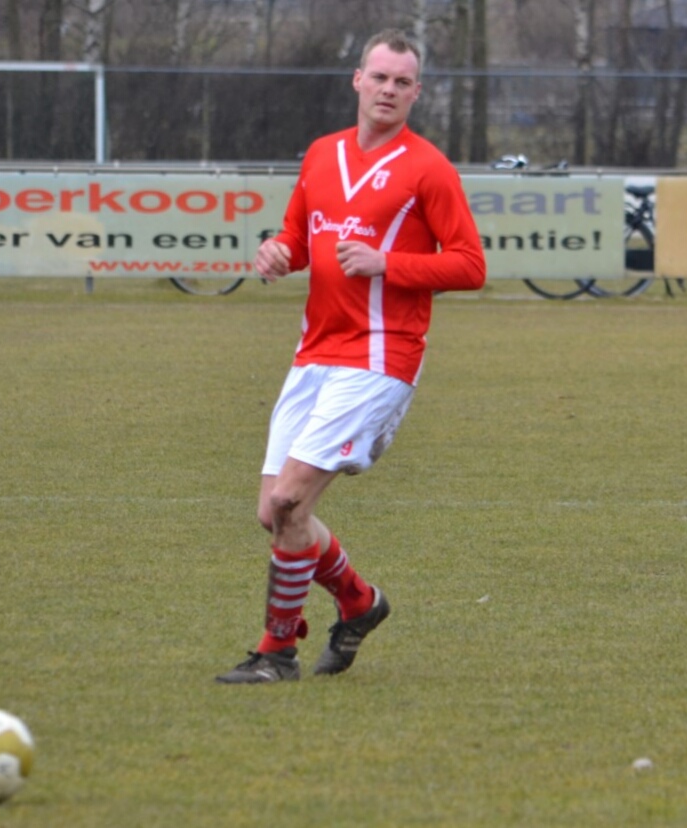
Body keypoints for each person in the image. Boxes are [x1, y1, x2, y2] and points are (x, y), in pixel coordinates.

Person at [216, 29, 487, 684]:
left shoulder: (428, 168)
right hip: (315, 352)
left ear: (416, 93)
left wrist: (386, 263)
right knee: (273, 513)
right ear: (357, 81)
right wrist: (277, 253)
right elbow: (297, 238)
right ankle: (359, 602)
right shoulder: (320, 155)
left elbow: (471, 265)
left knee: (289, 501)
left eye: (403, 82)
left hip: (380, 358)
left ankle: (276, 652)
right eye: (380, 77)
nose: (389, 89)